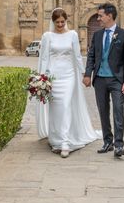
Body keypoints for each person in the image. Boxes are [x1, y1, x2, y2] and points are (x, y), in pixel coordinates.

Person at [37, 8, 100, 158]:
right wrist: (41, 78)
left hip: (69, 76)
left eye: (62, 22)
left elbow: (77, 56)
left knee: (65, 105)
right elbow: (44, 58)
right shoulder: (47, 36)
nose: (60, 24)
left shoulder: (72, 35)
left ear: (66, 21)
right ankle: (56, 140)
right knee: (55, 108)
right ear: (53, 22)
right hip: (53, 76)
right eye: (57, 22)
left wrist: (84, 73)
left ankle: (65, 141)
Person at [83, 2, 124, 158]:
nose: (98, 18)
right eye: (97, 16)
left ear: (110, 16)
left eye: (100, 15)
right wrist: (87, 74)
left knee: (118, 110)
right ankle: (107, 142)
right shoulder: (97, 35)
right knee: (103, 111)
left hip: (117, 80)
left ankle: (119, 145)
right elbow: (91, 56)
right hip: (99, 79)